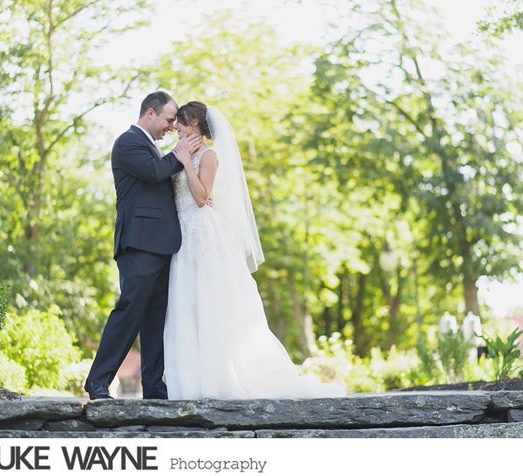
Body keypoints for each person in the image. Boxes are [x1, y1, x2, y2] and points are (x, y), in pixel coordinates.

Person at [163, 102, 345, 399]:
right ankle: (189, 383)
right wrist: (179, 157)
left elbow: (201, 197)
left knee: (208, 306)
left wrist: (185, 162)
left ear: (195, 122)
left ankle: (217, 380)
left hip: (203, 236)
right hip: (181, 237)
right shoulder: (178, 151)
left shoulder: (209, 156)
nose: (176, 127)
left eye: (181, 121)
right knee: (184, 306)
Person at [83, 91, 203, 400]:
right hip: (140, 243)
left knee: (155, 318)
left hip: (162, 244)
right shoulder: (128, 142)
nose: (170, 126)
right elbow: (154, 173)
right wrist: (180, 154)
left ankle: (154, 385)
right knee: (129, 311)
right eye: (168, 120)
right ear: (150, 113)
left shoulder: (149, 145)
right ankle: (97, 382)